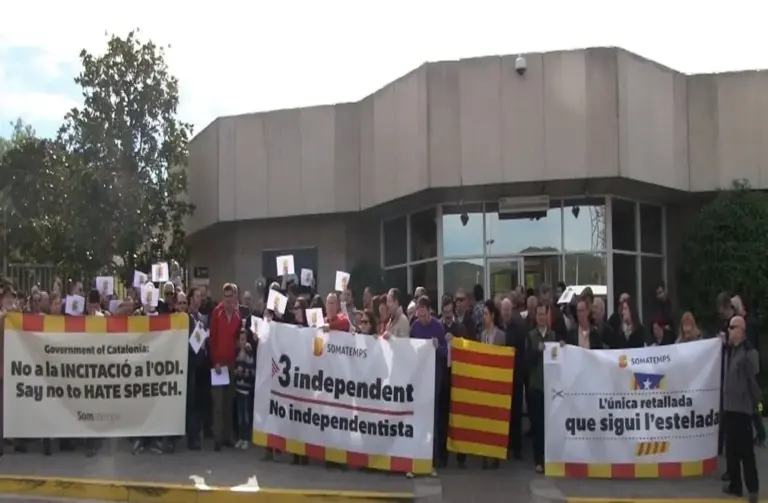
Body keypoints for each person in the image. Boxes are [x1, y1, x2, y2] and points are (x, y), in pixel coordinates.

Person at [721, 316, 760, 503]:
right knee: (732, 451)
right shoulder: (731, 350)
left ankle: (753, 488)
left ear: (741, 330)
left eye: (731, 327)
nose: (728, 331)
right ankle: (735, 485)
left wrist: (757, 409)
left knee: (746, 452)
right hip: (730, 407)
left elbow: (754, 384)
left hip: (743, 410)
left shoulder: (748, 353)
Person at [409, 295, 444, 478]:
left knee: (432, 423)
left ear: (429, 311)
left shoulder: (438, 327)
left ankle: (432, 463)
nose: (421, 319)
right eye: (418, 315)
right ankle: (415, 461)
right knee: (417, 422)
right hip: (418, 382)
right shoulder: (414, 327)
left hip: (433, 382)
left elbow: (447, 353)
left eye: (423, 315)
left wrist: (439, 347)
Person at [527, 304, 562, 474]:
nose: (541, 317)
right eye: (539, 314)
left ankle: (550, 458)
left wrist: (562, 348)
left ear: (548, 316)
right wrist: (537, 351)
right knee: (537, 424)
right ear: (535, 317)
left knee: (550, 424)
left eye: (544, 314)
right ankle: (538, 460)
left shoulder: (553, 335)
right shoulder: (530, 336)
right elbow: (527, 360)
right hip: (535, 386)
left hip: (551, 386)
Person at [209, 283, 241, 451]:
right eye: (226, 297)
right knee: (218, 403)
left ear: (235, 298)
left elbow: (237, 341)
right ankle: (217, 438)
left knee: (229, 402)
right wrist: (215, 362)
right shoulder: (217, 313)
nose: (229, 300)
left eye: (231, 297)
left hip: (231, 364)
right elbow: (212, 338)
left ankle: (228, 436)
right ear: (223, 297)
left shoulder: (237, 316)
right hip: (218, 365)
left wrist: (236, 363)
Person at [234, 330, 255, 450]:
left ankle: (246, 438)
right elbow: (235, 367)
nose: (242, 341)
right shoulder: (237, 352)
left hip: (246, 389)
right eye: (240, 339)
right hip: (238, 387)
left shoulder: (249, 352)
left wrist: (241, 371)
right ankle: (241, 437)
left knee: (246, 415)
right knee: (240, 415)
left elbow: (251, 370)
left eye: (244, 339)